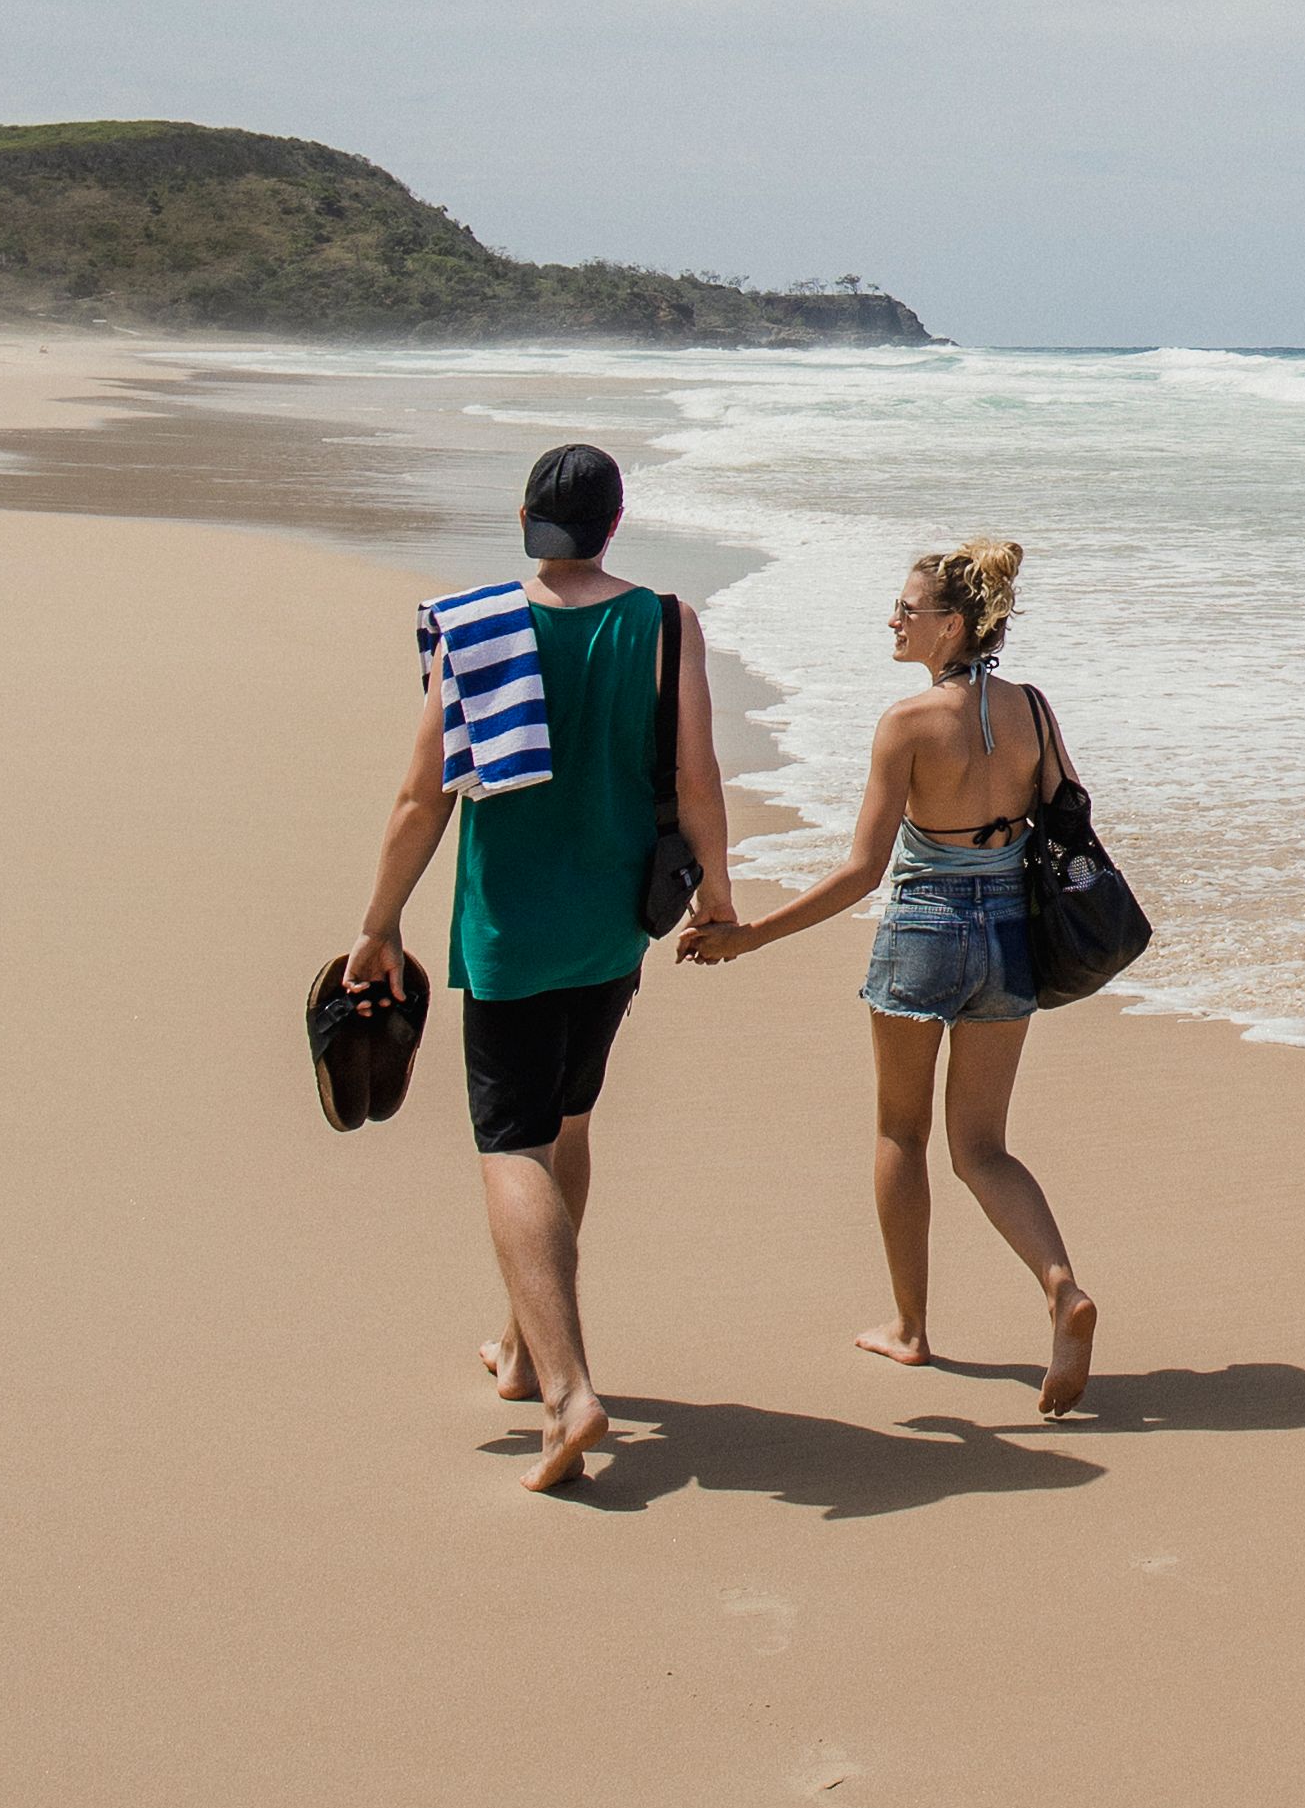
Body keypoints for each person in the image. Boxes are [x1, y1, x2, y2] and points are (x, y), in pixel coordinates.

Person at [343, 442, 733, 1490]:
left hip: (512, 927)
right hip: (615, 922)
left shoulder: (475, 626)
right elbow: (695, 773)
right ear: (613, 523)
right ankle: (521, 1345)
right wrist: (720, 894)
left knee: (509, 1144)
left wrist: (378, 923)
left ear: (524, 516)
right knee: (566, 1123)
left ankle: (568, 1390)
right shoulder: (663, 621)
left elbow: (424, 795)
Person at [686, 538, 1103, 1416]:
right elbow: (1068, 810)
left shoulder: (907, 724)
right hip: (1010, 941)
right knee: (983, 1147)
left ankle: (911, 1328)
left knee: (900, 1133)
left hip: (924, 932)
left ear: (952, 625)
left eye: (908, 610)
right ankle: (1062, 1287)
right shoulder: (1032, 706)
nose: (894, 619)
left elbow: (862, 870)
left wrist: (751, 934)